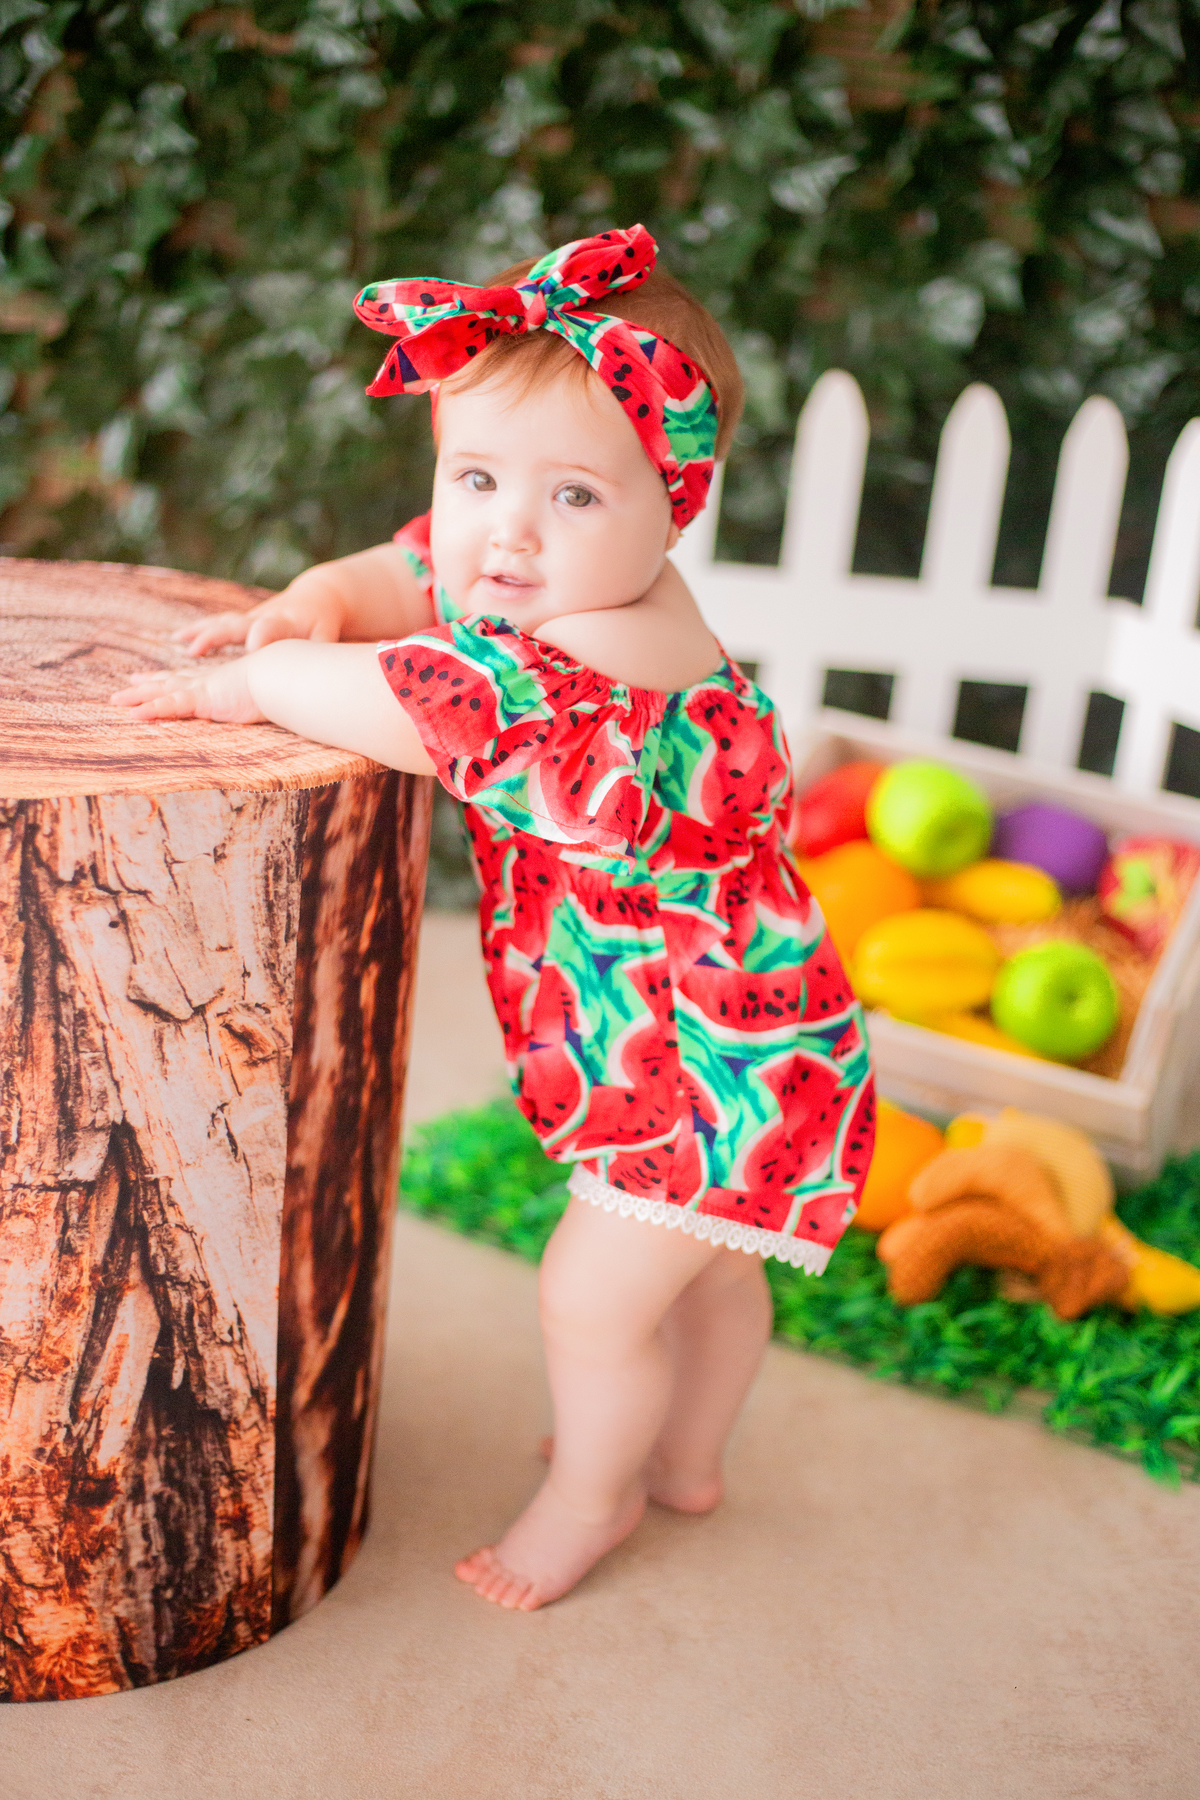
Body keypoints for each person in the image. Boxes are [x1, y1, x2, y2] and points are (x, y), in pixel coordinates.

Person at [113, 225, 875, 1612]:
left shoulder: (615, 653)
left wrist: (252, 686)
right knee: (701, 1284)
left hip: (722, 1064)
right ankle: (688, 1456)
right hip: (734, 1034)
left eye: (575, 495)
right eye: (476, 476)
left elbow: (416, 699)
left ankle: (592, 1501)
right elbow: (419, 575)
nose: (507, 532)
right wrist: (316, 601)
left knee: (592, 1298)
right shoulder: (539, 572)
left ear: (672, 507)